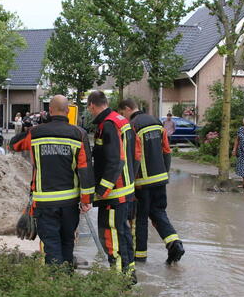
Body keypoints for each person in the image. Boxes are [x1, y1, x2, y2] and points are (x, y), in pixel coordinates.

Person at [10, 95, 94, 267]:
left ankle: (56, 283)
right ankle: (66, 282)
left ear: (49, 111)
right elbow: (85, 170)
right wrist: (86, 201)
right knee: (67, 244)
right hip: (69, 203)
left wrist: (31, 127)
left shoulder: (36, 133)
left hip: (44, 203)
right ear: (68, 111)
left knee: (51, 246)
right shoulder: (79, 134)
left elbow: (13, 144)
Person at [119, 99, 184, 265]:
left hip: (143, 183)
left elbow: (136, 156)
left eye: (122, 113)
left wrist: (131, 182)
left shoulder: (133, 125)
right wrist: (165, 174)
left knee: (140, 218)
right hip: (160, 179)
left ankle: (140, 257)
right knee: (159, 213)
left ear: (127, 109)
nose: (123, 117)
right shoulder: (156, 122)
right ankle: (174, 242)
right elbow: (167, 151)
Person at [86, 91, 137, 281]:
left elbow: (115, 161)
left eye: (89, 108)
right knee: (123, 235)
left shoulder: (108, 125)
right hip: (126, 191)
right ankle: (129, 276)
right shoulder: (121, 120)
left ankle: (117, 283)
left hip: (114, 194)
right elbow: (135, 155)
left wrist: (100, 192)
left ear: (92, 105)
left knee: (111, 237)